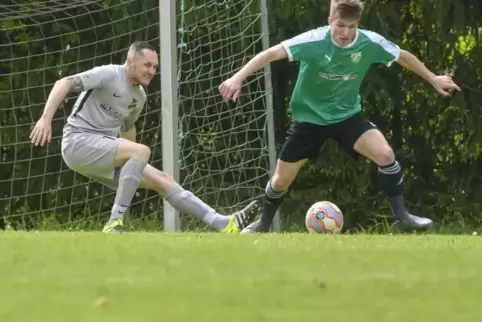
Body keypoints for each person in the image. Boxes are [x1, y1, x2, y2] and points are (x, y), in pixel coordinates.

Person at [218, 0, 461, 233]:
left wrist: (434, 78)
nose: (346, 32)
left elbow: (402, 55)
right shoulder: (313, 41)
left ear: (358, 25)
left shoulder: (369, 43)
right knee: (281, 180)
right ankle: (263, 223)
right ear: (330, 21)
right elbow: (270, 53)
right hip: (310, 119)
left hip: (348, 116)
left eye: (352, 27)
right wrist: (237, 78)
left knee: (385, 154)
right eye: (340, 26)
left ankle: (402, 217)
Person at [30, 41, 258, 233]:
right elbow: (64, 83)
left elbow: (127, 130)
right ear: (130, 62)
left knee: (161, 179)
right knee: (141, 151)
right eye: (147, 65)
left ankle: (221, 223)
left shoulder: (139, 96)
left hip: (100, 149)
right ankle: (114, 222)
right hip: (77, 141)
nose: (151, 71)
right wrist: (45, 119)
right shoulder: (109, 74)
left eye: (155, 67)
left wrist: (135, 166)